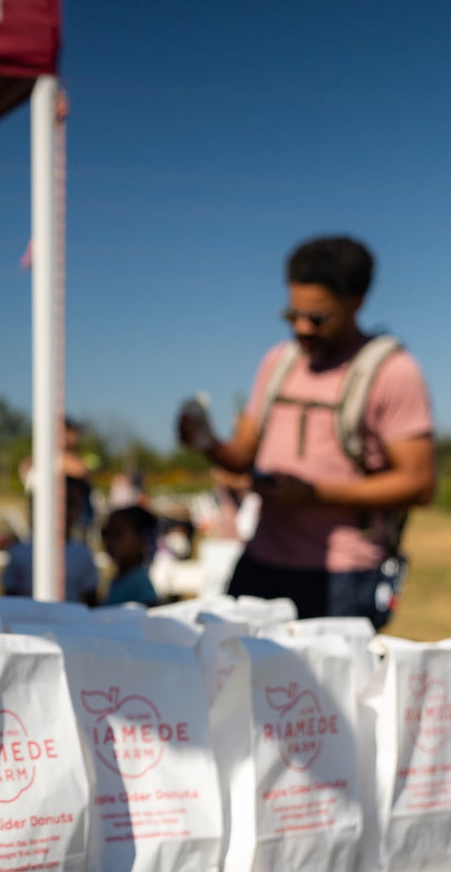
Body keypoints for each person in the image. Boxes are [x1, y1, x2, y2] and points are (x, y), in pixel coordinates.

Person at [178, 236, 435, 626]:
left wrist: (312, 494)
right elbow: (243, 452)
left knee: (325, 688)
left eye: (317, 318)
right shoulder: (277, 362)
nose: (301, 329)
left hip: (343, 574)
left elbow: (419, 483)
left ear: (357, 301)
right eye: (291, 315)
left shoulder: (392, 371)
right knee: (226, 678)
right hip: (260, 560)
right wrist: (208, 443)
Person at [1, 475, 99, 603]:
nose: (65, 511)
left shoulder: (83, 555)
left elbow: (91, 600)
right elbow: (9, 597)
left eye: (73, 505)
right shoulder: (20, 552)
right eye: (58, 503)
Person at [101, 505, 157, 606]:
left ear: (142, 539)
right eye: (105, 533)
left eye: (117, 533)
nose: (109, 540)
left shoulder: (140, 582)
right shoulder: (120, 578)